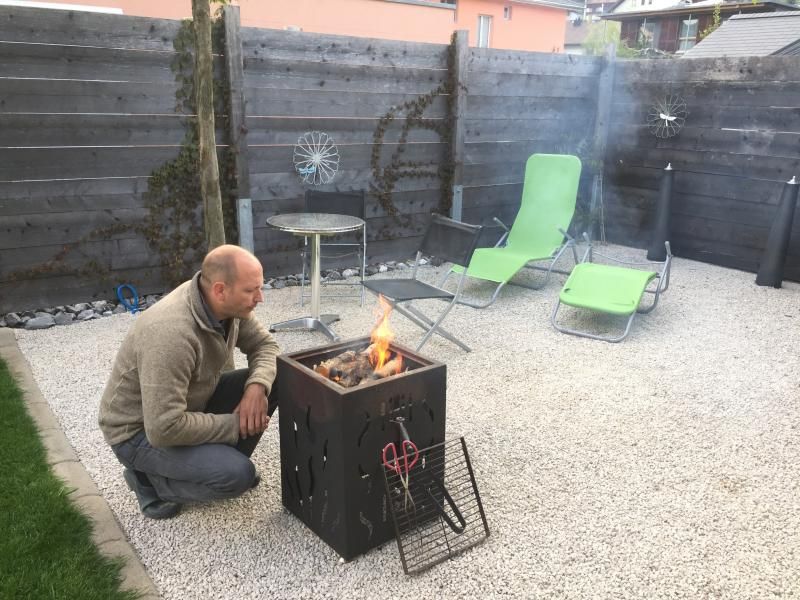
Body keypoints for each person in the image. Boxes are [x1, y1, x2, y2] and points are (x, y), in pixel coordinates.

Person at [98, 244, 281, 519]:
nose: (260, 298)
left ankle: (211, 461)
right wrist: (235, 424)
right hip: (138, 432)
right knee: (237, 476)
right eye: (251, 290)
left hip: (190, 403)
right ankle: (150, 481)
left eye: (260, 287)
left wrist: (257, 388)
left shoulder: (225, 306)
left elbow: (265, 346)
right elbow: (163, 428)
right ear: (220, 290)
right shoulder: (170, 335)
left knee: (277, 377)